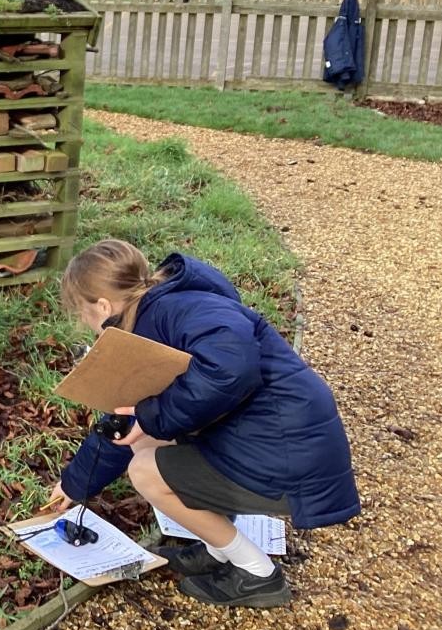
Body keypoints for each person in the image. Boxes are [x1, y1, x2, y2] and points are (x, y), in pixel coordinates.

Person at [51, 239, 359, 608]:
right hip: (275, 441)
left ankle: (256, 574)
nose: (87, 326)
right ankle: (219, 549)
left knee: (146, 471)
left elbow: (231, 369)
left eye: (83, 315)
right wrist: (75, 484)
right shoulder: (160, 309)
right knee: (143, 442)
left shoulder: (172, 313)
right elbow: (125, 416)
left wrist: (153, 416)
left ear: (102, 306)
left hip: (291, 462)